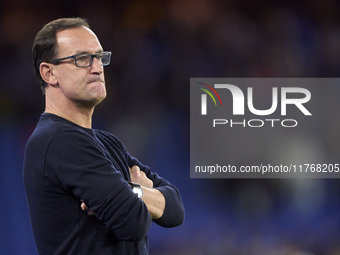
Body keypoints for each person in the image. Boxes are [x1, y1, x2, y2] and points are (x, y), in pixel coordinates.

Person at [23, 17, 184, 255]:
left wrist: (131, 191)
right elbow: (134, 223)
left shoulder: (107, 142)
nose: (97, 68)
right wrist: (140, 197)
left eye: (99, 57)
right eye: (82, 59)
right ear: (49, 73)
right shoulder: (58, 140)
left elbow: (176, 209)